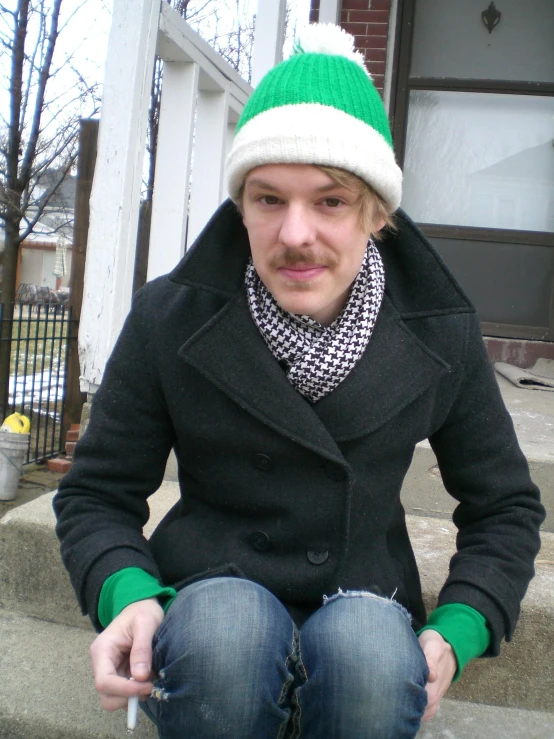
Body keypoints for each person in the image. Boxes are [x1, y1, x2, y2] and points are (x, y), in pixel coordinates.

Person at [54, 23, 545, 739]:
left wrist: (458, 629)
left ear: (378, 214)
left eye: (331, 200)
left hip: (364, 612)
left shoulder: (438, 329)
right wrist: (128, 595)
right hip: (208, 608)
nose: (293, 234)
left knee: (370, 657)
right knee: (225, 633)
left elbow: (504, 506)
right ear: (241, 205)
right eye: (267, 198)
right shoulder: (172, 315)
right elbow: (96, 492)